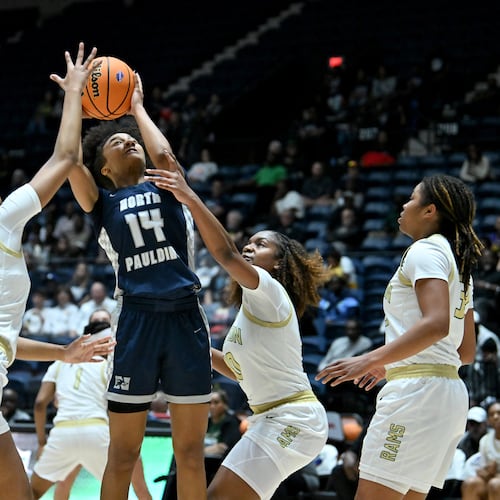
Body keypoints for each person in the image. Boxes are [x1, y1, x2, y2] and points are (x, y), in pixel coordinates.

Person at [144, 152, 330, 500]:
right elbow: (237, 368)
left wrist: (189, 196)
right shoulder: (254, 307)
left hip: (292, 418)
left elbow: (225, 254)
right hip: (271, 418)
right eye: (250, 240)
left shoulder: (270, 290)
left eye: (261, 244)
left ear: (278, 264)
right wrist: (185, 344)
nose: (249, 245)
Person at [66, 72, 212, 500]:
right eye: (117, 143)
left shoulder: (168, 186)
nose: (129, 142)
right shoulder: (101, 202)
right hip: (135, 323)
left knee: (189, 451)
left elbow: (163, 153)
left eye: (132, 139)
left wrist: (136, 108)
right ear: (105, 168)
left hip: (186, 317)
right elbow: (71, 161)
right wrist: (74, 98)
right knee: (123, 453)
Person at [316, 174, 483, 499]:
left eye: (411, 198)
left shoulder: (425, 250)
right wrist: (394, 363)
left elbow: (436, 325)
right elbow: (465, 352)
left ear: (429, 210)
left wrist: (370, 358)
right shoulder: (459, 266)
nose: (403, 205)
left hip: (416, 395)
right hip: (448, 395)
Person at [0, 42, 115, 500]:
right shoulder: (6, 218)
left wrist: (62, 354)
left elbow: (5, 341)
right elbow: (66, 158)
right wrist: (73, 94)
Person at [30, 309, 152, 500]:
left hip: (63, 432)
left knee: (34, 492)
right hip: (97, 430)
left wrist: (41, 443)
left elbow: (39, 404)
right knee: (123, 490)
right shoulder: (108, 366)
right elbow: (120, 406)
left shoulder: (60, 363)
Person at [461, 400, 500, 499]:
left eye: (499, 413)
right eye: (492, 414)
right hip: (490, 478)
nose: (496, 417)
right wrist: (487, 472)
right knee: (470, 484)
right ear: (488, 420)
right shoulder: (485, 440)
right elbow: (482, 468)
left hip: (495, 481)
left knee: (495, 485)